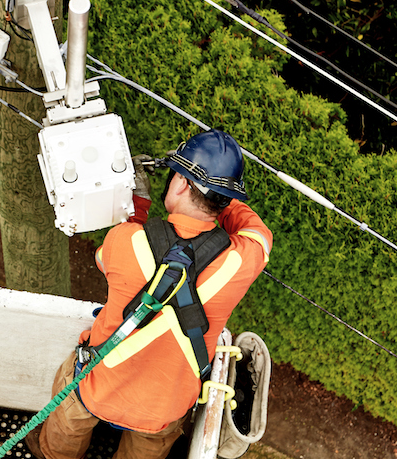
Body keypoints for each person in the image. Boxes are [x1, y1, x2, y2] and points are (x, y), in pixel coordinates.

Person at [26, 129, 273, 459]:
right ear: (224, 198)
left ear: (182, 183)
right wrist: (220, 199)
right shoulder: (243, 260)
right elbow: (258, 233)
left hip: (97, 388)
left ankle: (53, 454)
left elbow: (103, 258)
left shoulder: (124, 242)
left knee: (68, 420)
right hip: (162, 410)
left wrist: (138, 205)